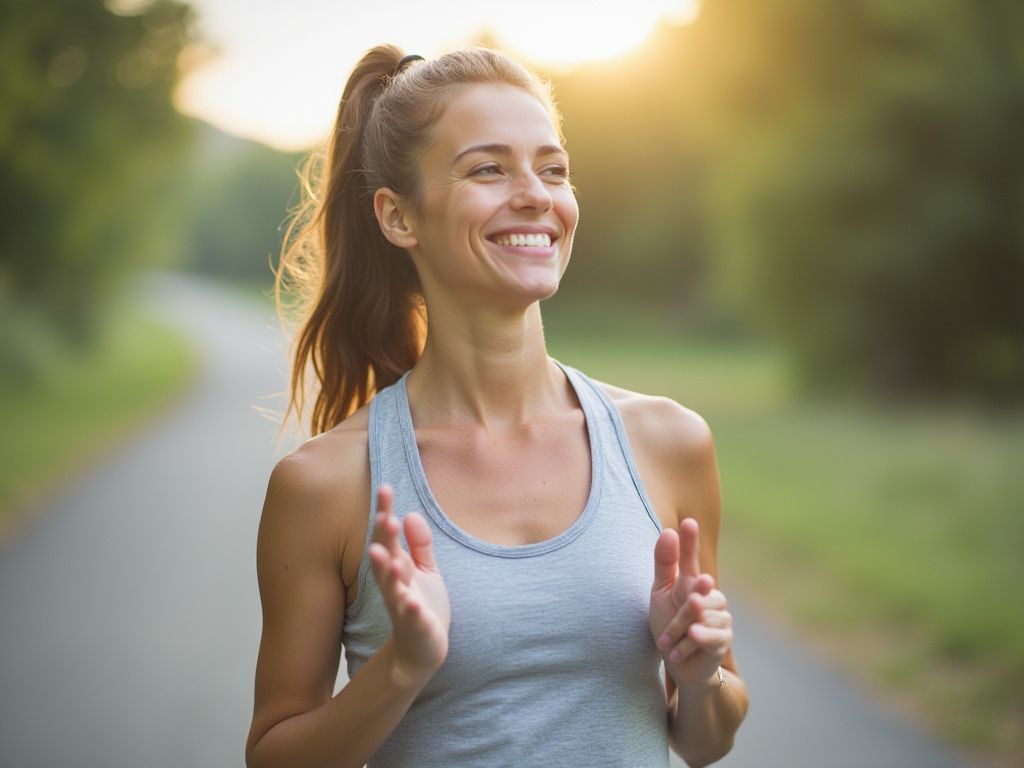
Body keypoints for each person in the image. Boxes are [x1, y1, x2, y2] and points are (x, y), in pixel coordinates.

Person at [245, 45, 749, 768]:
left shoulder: (669, 442)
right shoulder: (324, 485)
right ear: (397, 216)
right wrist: (402, 666)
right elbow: (273, 754)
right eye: (489, 168)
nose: (537, 195)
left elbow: (706, 739)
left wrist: (701, 677)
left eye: (553, 169)